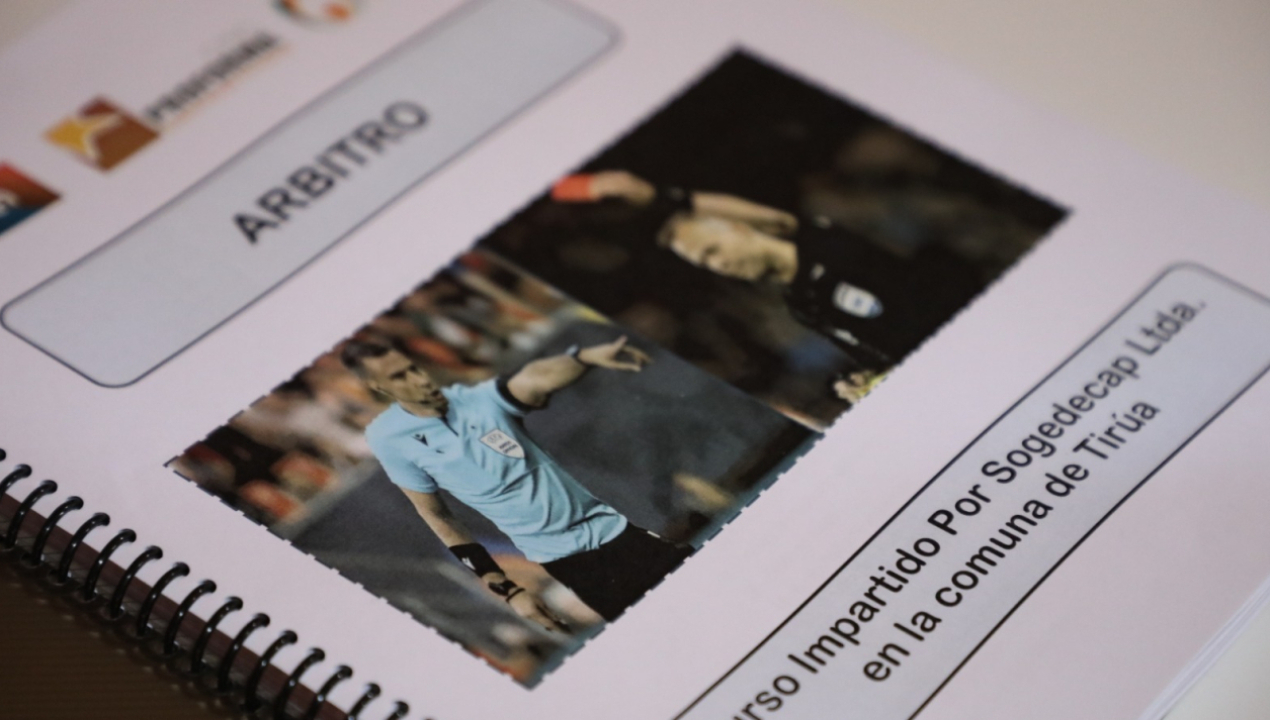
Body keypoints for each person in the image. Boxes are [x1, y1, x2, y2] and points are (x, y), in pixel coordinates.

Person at [340, 336, 692, 630]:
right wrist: (508, 589)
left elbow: (536, 378)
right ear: (378, 386)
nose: (419, 380)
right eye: (400, 376)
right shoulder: (389, 439)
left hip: (617, 533)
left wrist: (583, 357)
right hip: (569, 563)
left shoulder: (479, 401)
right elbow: (437, 516)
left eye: (414, 368)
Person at [551, 170, 982, 377]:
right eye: (704, 262)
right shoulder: (800, 304)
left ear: (739, 228)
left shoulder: (818, 240)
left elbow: (774, 219)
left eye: (713, 251)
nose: (717, 264)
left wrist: (662, 197)